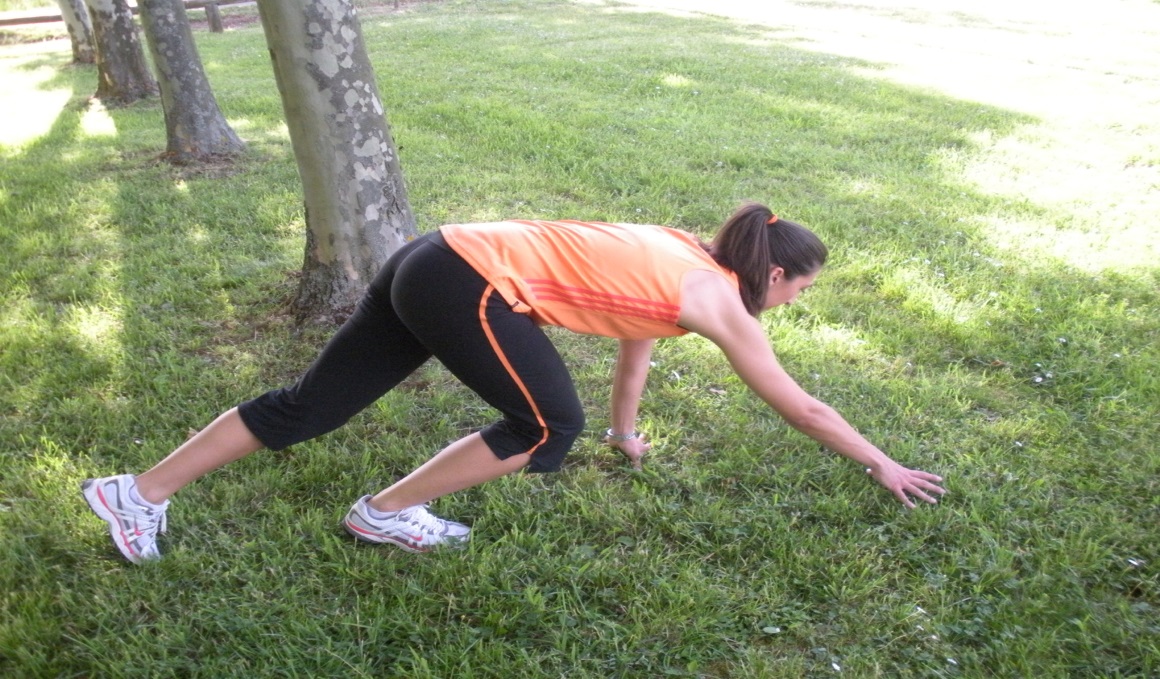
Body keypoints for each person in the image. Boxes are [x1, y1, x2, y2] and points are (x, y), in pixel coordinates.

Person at [82, 202, 945, 564]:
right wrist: (880, 461)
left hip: (432, 254)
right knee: (541, 427)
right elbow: (802, 404)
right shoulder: (723, 304)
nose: (796, 300)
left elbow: (634, 346)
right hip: (471, 282)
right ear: (776, 275)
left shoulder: (685, 255)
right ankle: (381, 514)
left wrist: (625, 431)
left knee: (309, 407)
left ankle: (136, 491)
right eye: (801, 287)